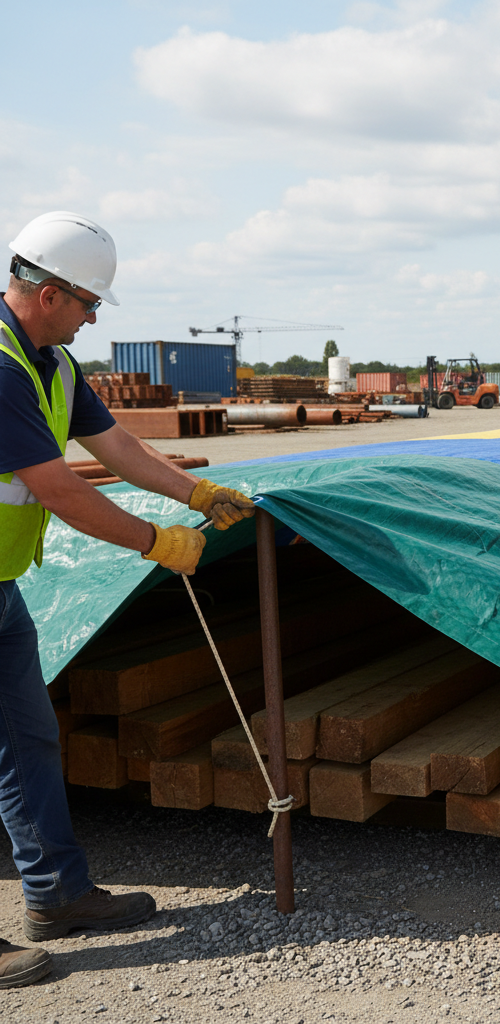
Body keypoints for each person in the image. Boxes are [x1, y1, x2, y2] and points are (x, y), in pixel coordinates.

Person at [0, 211, 255, 988]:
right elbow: (59, 489)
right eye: (87, 302)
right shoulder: (1, 369)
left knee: (29, 739)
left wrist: (198, 492)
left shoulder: (52, 363)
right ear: (46, 293)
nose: (95, 316)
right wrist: (155, 543)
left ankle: (57, 895)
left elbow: (117, 449)